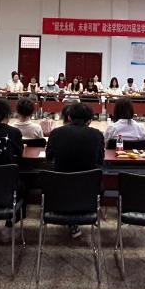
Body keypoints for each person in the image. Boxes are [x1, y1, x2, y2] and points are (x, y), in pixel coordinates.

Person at [45, 102, 105, 238]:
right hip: (88, 191)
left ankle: (70, 221)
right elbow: (100, 161)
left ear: (69, 117)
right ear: (90, 120)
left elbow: (49, 158)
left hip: (59, 189)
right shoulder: (97, 135)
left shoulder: (56, 132)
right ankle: (74, 220)